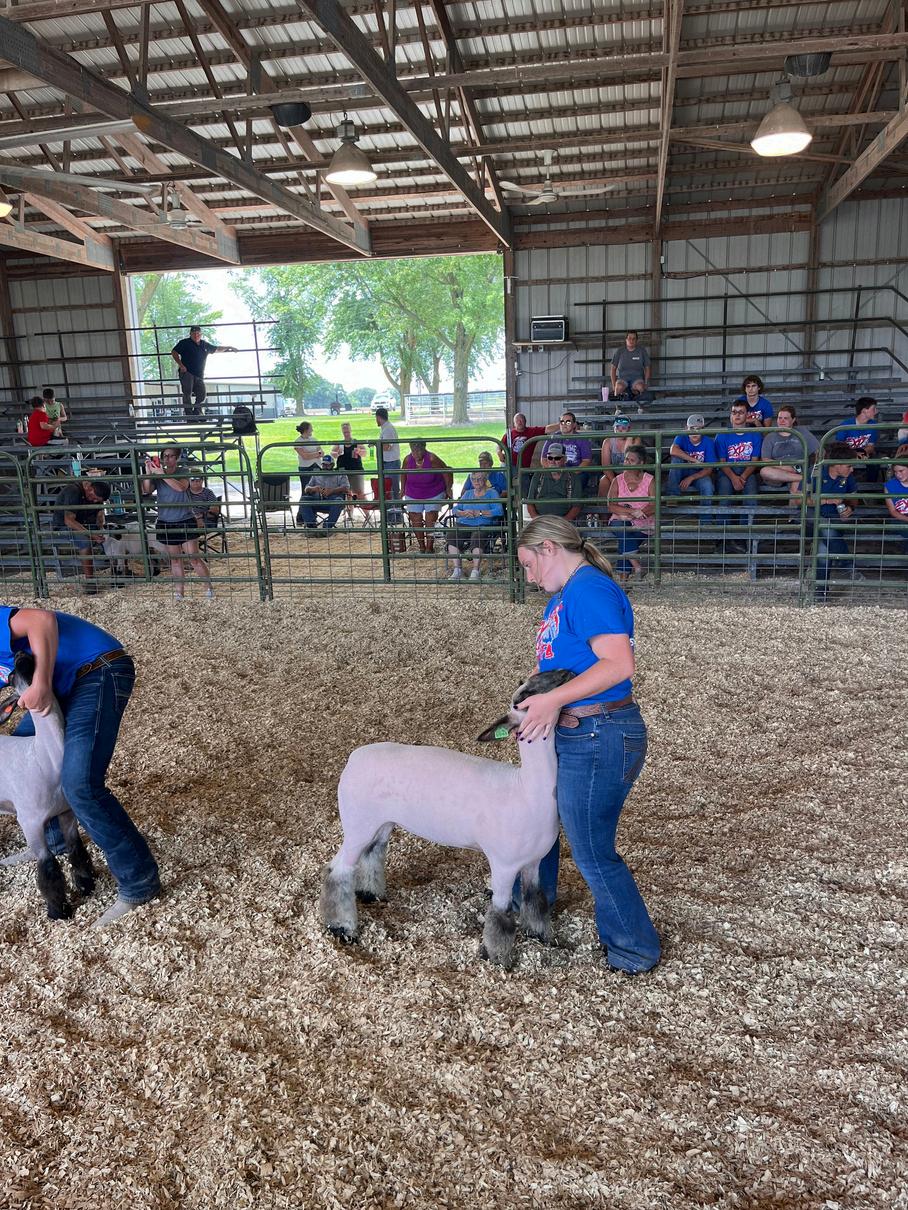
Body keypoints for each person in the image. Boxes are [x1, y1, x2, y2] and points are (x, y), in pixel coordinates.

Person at [514, 515, 660, 975]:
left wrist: (552, 699)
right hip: (578, 728)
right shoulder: (565, 595)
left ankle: (634, 949)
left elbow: (618, 664)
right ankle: (531, 904)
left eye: (528, 564)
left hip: (600, 731)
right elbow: (565, 662)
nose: (528, 577)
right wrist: (536, 694)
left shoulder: (589, 589)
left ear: (549, 548)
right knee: (540, 821)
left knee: (592, 849)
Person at [0, 606, 161, 926]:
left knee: (79, 783)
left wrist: (40, 683)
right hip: (57, 686)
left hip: (96, 669)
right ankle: (56, 841)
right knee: (22, 760)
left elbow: (41, 620)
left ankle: (139, 882)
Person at [141, 446, 212, 599]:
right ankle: (179, 592)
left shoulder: (183, 471)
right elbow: (146, 490)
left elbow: (181, 487)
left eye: (171, 456)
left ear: (177, 458)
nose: (167, 459)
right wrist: (148, 473)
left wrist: (161, 474)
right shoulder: (158, 474)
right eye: (165, 456)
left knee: (193, 557)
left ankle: (208, 588)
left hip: (185, 519)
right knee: (175, 560)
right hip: (166, 521)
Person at [808, 441, 860, 600]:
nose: (852, 469)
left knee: (823, 548)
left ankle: (821, 591)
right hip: (812, 518)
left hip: (834, 519)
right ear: (837, 464)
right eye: (849, 466)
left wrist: (850, 508)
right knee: (826, 530)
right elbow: (800, 500)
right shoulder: (816, 472)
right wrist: (827, 500)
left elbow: (854, 498)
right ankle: (848, 566)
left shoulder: (848, 477)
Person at [715, 401, 763, 551]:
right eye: (734, 412)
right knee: (724, 498)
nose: (737, 415)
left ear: (747, 415)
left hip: (747, 471)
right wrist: (734, 478)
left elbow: (755, 461)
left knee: (751, 499)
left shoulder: (755, 435)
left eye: (741, 412)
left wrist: (742, 477)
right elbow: (722, 462)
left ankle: (744, 536)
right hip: (727, 471)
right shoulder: (722, 435)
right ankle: (722, 538)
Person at [53, 476, 112, 593]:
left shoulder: (95, 495)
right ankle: (90, 581)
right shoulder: (73, 491)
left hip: (85, 523)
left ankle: (120, 571)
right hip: (65, 526)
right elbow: (69, 521)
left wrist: (101, 527)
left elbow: (100, 514)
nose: (94, 501)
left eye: (97, 500)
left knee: (112, 536)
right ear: (89, 489)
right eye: (93, 498)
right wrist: (92, 535)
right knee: (85, 542)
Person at [607, 445, 655, 582]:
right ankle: (637, 566)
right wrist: (633, 512)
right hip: (620, 519)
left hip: (642, 523)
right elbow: (611, 505)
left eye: (631, 460)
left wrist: (640, 513)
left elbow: (654, 505)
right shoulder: (617, 480)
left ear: (641, 463)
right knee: (622, 530)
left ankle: (624, 581)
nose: (626, 462)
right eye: (626, 459)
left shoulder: (650, 480)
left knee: (625, 540)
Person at [446, 470, 504, 581]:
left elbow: (499, 511)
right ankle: (457, 569)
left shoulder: (492, 493)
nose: (476, 481)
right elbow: (455, 509)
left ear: (485, 480)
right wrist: (463, 513)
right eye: (473, 479)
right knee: (452, 535)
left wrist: (480, 513)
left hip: (483, 524)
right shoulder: (468, 493)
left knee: (477, 536)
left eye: (479, 479)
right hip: (464, 523)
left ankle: (475, 570)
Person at [170, 325, 238, 417]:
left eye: (198, 333)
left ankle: (197, 411)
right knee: (187, 394)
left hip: (199, 375)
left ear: (201, 334)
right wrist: (181, 365)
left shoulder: (204, 345)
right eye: (194, 333)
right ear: (190, 334)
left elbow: (217, 349)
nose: (196, 335)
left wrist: (229, 347)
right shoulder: (184, 343)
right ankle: (189, 416)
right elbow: (174, 352)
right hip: (187, 373)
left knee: (202, 394)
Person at [758, 405, 819, 502]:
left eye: (785, 418)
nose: (782, 421)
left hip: (800, 468)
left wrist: (814, 468)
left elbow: (818, 451)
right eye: (780, 418)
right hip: (779, 471)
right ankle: (803, 478)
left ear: (793, 420)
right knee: (764, 471)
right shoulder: (770, 436)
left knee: (796, 488)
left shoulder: (802, 432)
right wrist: (786, 467)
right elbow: (765, 460)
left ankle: (793, 513)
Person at [401, 439, 452, 553]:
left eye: (419, 450)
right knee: (415, 517)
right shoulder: (407, 460)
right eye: (414, 450)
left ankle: (429, 547)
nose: (416, 453)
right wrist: (402, 490)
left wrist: (448, 489)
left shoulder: (432, 458)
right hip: (413, 491)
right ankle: (421, 546)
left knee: (430, 517)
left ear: (424, 449)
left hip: (434, 490)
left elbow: (446, 471)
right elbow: (403, 473)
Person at [667, 413, 716, 520]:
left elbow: (709, 469)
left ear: (703, 429)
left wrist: (691, 478)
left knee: (707, 485)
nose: (695, 432)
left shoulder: (708, 442)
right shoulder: (681, 436)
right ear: (686, 428)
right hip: (682, 471)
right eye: (692, 428)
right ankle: (672, 495)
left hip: (699, 475)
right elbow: (673, 450)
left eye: (698, 429)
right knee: (676, 460)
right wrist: (693, 460)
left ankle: (705, 519)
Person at [526, 443, 581, 521]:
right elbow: (530, 503)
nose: (553, 461)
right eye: (550, 458)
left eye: (557, 458)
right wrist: (537, 520)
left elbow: (577, 506)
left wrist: (563, 521)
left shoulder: (573, 477)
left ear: (565, 459)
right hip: (541, 521)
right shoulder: (538, 475)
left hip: (563, 522)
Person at [500, 411, 547, 498]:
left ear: (525, 421)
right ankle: (509, 501)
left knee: (525, 489)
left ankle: (523, 503)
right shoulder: (509, 434)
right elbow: (499, 446)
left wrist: (562, 425)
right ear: (514, 423)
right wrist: (499, 453)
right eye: (517, 420)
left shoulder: (532, 431)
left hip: (523, 468)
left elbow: (547, 429)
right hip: (510, 466)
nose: (519, 422)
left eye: (521, 420)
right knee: (507, 482)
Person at [299, 454, 349, 535]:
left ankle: (327, 527)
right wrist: (314, 488)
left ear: (333, 465)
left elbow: (346, 488)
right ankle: (311, 526)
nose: (325, 467)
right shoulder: (316, 474)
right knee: (304, 500)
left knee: (339, 501)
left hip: (333, 501)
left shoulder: (340, 474)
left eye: (328, 465)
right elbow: (306, 488)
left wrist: (332, 491)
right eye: (324, 465)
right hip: (318, 499)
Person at [835, 397, 880, 479]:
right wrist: (854, 454)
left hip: (864, 453)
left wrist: (861, 453)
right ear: (864, 411)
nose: (876, 411)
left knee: (874, 462)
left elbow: (871, 447)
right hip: (847, 454)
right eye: (873, 409)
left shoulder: (873, 424)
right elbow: (839, 446)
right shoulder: (846, 425)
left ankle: (871, 485)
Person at [294, 422, 323, 524]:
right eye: (311, 428)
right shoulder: (298, 441)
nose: (312, 430)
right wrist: (316, 454)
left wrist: (312, 454)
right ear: (306, 430)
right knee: (306, 491)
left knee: (316, 491)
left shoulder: (314, 439)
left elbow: (322, 452)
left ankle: (312, 515)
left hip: (317, 466)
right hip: (306, 468)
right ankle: (301, 516)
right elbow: (305, 456)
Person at [610, 330, 651, 402]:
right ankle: (617, 407)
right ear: (626, 340)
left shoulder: (642, 351)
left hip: (637, 378)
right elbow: (613, 368)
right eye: (629, 338)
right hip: (623, 378)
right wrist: (613, 385)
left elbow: (647, 368)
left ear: (637, 340)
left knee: (641, 387)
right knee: (618, 388)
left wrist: (646, 383)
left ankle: (640, 407)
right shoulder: (620, 351)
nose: (631, 340)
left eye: (634, 339)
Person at [599, 415, 634, 491]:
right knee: (604, 481)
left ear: (629, 429)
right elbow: (606, 466)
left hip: (631, 473)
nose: (620, 430)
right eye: (617, 427)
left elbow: (633, 464)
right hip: (614, 474)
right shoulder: (607, 442)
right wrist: (615, 482)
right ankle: (602, 500)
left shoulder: (635, 440)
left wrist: (629, 438)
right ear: (614, 428)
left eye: (623, 428)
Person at [373, 406, 401, 497]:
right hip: (389, 463)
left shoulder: (388, 429)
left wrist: (376, 444)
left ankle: (396, 505)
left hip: (391, 463)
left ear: (378, 417)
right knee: (389, 489)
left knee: (392, 490)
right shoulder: (386, 428)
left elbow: (387, 446)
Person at [882, 460, 908, 555]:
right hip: (900, 518)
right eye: (896, 472)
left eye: (901, 471)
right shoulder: (889, 486)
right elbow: (893, 511)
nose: (898, 475)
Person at [334, 422, 366, 498]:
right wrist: (337, 453)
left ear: (350, 431)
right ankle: (350, 506)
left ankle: (365, 506)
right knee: (347, 494)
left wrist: (359, 451)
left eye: (347, 432)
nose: (346, 434)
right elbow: (332, 453)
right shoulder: (340, 444)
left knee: (359, 493)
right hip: (343, 472)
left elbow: (364, 453)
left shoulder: (356, 442)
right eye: (344, 432)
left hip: (356, 471)